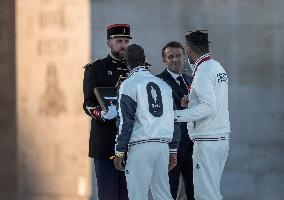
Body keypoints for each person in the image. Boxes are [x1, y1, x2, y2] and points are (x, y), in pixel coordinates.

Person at [113, 44, 180, 200]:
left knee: (138, 196)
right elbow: (174, 119)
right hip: (162, 147)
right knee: (164, 195)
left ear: (126, 61)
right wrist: (173, 149)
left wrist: (119, 152)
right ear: (144, 60)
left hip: (140, 148)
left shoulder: (128, 85)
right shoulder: (165, 85)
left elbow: (126, 122)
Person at [174, 30, 230, 200]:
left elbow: (208, 107)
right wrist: (191, 102)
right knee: (212, 193)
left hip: (207, 140)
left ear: (189, 49)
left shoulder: (203, 71)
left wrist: (176, 115)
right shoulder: (217, 66)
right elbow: (213, 101)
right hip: (220, 138)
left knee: (205, 195)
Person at [82, 24, 132, 200]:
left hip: (130, 145)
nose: (123, 45)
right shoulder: (95, 69)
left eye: (126, 41)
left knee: (129, 195)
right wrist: (100, 113)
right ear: (109, 43)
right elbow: (87, 103)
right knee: (108, 195)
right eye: (119, 41)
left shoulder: (137, 69)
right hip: (105, 143)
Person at [157, 41, 194, 200]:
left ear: (184, 58)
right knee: (169, 191)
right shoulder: (157, 82)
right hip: (170, 147)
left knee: (194, 191)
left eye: (178, 56)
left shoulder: (191, 80)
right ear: (164, 60)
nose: (175, 60)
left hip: (192, 147)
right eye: (170, 57)